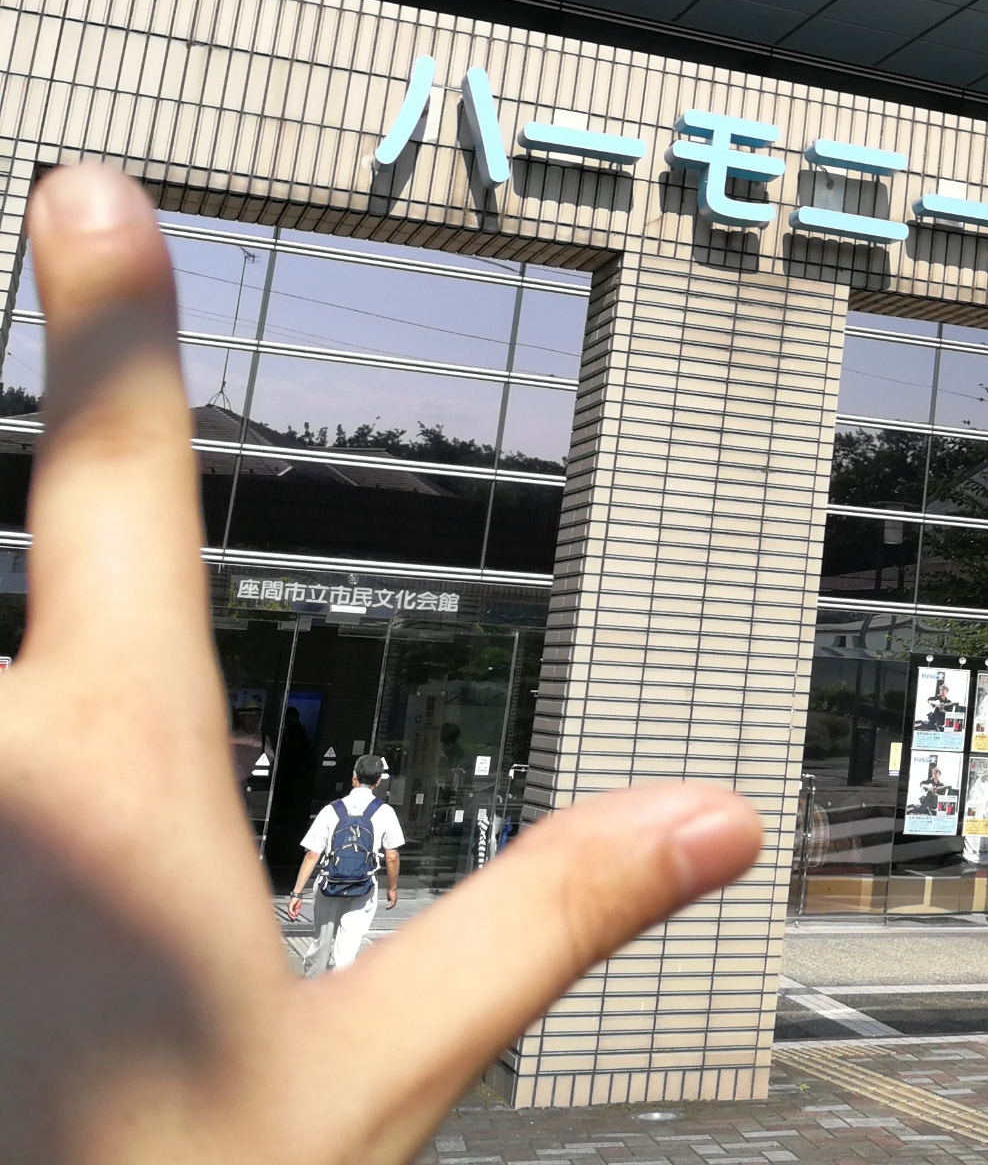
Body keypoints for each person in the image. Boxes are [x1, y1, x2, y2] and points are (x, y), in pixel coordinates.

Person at [0, 163, 764, 1165]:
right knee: (338, 950)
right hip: (325, 923)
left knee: (325, 944)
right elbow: (379, 858)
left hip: (309, 900)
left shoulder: (324, 807)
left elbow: (312, 850)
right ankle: (310, 1007)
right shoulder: (365, 806)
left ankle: (308, 995)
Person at [285, 755, 407, 974]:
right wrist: (392, 888)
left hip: (329, 884)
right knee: (348, 947)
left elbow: (312, 854)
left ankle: (313, 985)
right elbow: (392, 856)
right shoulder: (385, 812)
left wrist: (297, 893)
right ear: (378, 781)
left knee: (321, 942)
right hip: (363, 887)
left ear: (353, 777)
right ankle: (339, 989)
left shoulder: (331, 810)